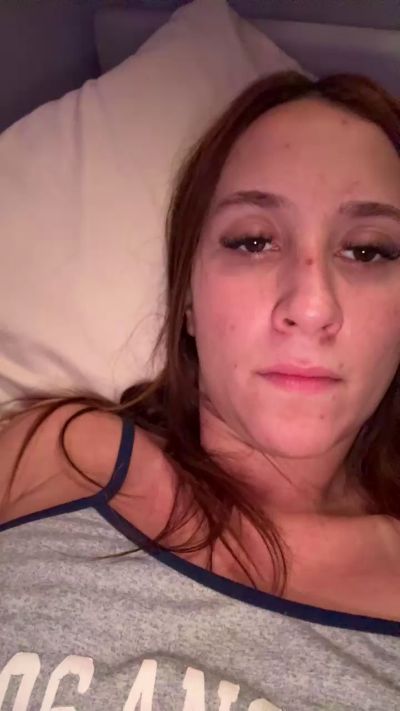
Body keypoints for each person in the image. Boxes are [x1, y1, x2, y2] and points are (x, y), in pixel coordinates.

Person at [0, 69, 399, 711]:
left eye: (369, 251)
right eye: (253, 241)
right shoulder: (55, 457)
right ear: (187, 301)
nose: (312, 305)